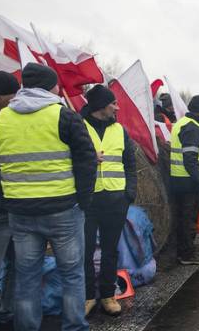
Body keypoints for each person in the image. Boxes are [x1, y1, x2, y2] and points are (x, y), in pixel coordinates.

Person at [0, 63, 97, 331]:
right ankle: (74, 327)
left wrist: (7, 199)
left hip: (20, 213)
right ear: (52, 86)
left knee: (27, 278)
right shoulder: (63, 116)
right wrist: (83, 201)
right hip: (63, 210)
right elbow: (86, 160)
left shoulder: (2, 118)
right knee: (72, 274)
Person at [81, 85, 137, 317]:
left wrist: (129, 193)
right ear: (100, 106)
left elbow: (129, 163)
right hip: (88, 200)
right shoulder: (78, 127)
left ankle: (107, 295)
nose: (117, 106)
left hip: (115, 199)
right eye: (113, 103)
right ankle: (86, 297)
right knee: (83, 251)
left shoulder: (120, 130)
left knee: (110, 250)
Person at [170, 95, 199, 265]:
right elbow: (190, 160)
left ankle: (183, 252)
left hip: (181, 180)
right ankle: (187, 255)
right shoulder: (192, 128)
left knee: (183, 218)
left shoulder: (181, 123)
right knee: (188, 219)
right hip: (189, 182)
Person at [0, 71, 19, 330]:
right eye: (12, 94)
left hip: (14, 204)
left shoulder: (6, 120)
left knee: (18, 264)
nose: (15, 99)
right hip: (0, 204)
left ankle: (7, 313)